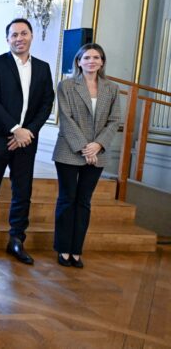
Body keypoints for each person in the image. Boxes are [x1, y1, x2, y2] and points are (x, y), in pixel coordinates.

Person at [0, 18, 55, 265]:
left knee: (23, 192)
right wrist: (14, 129)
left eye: (23, 33)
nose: (19, 38)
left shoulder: (42, 67)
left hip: (26, 141)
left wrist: (27, 132)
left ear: (31, 36)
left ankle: (17, 239)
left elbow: (46, 103)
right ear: (7, 39)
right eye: (14, 35)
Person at [52, 43, 120, 268]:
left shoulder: (111, 88)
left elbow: (114, 120)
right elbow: (66, 117)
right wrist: (84, 147)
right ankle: (63, 248)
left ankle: (76, 250)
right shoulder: (67, 86)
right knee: (67, 199)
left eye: (97, 57)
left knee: (84, 202)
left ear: (102, 62)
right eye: (87, 57)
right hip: (69, 151)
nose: (92, 61)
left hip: (97, 153)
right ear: (79, 61)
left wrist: (97, 145)